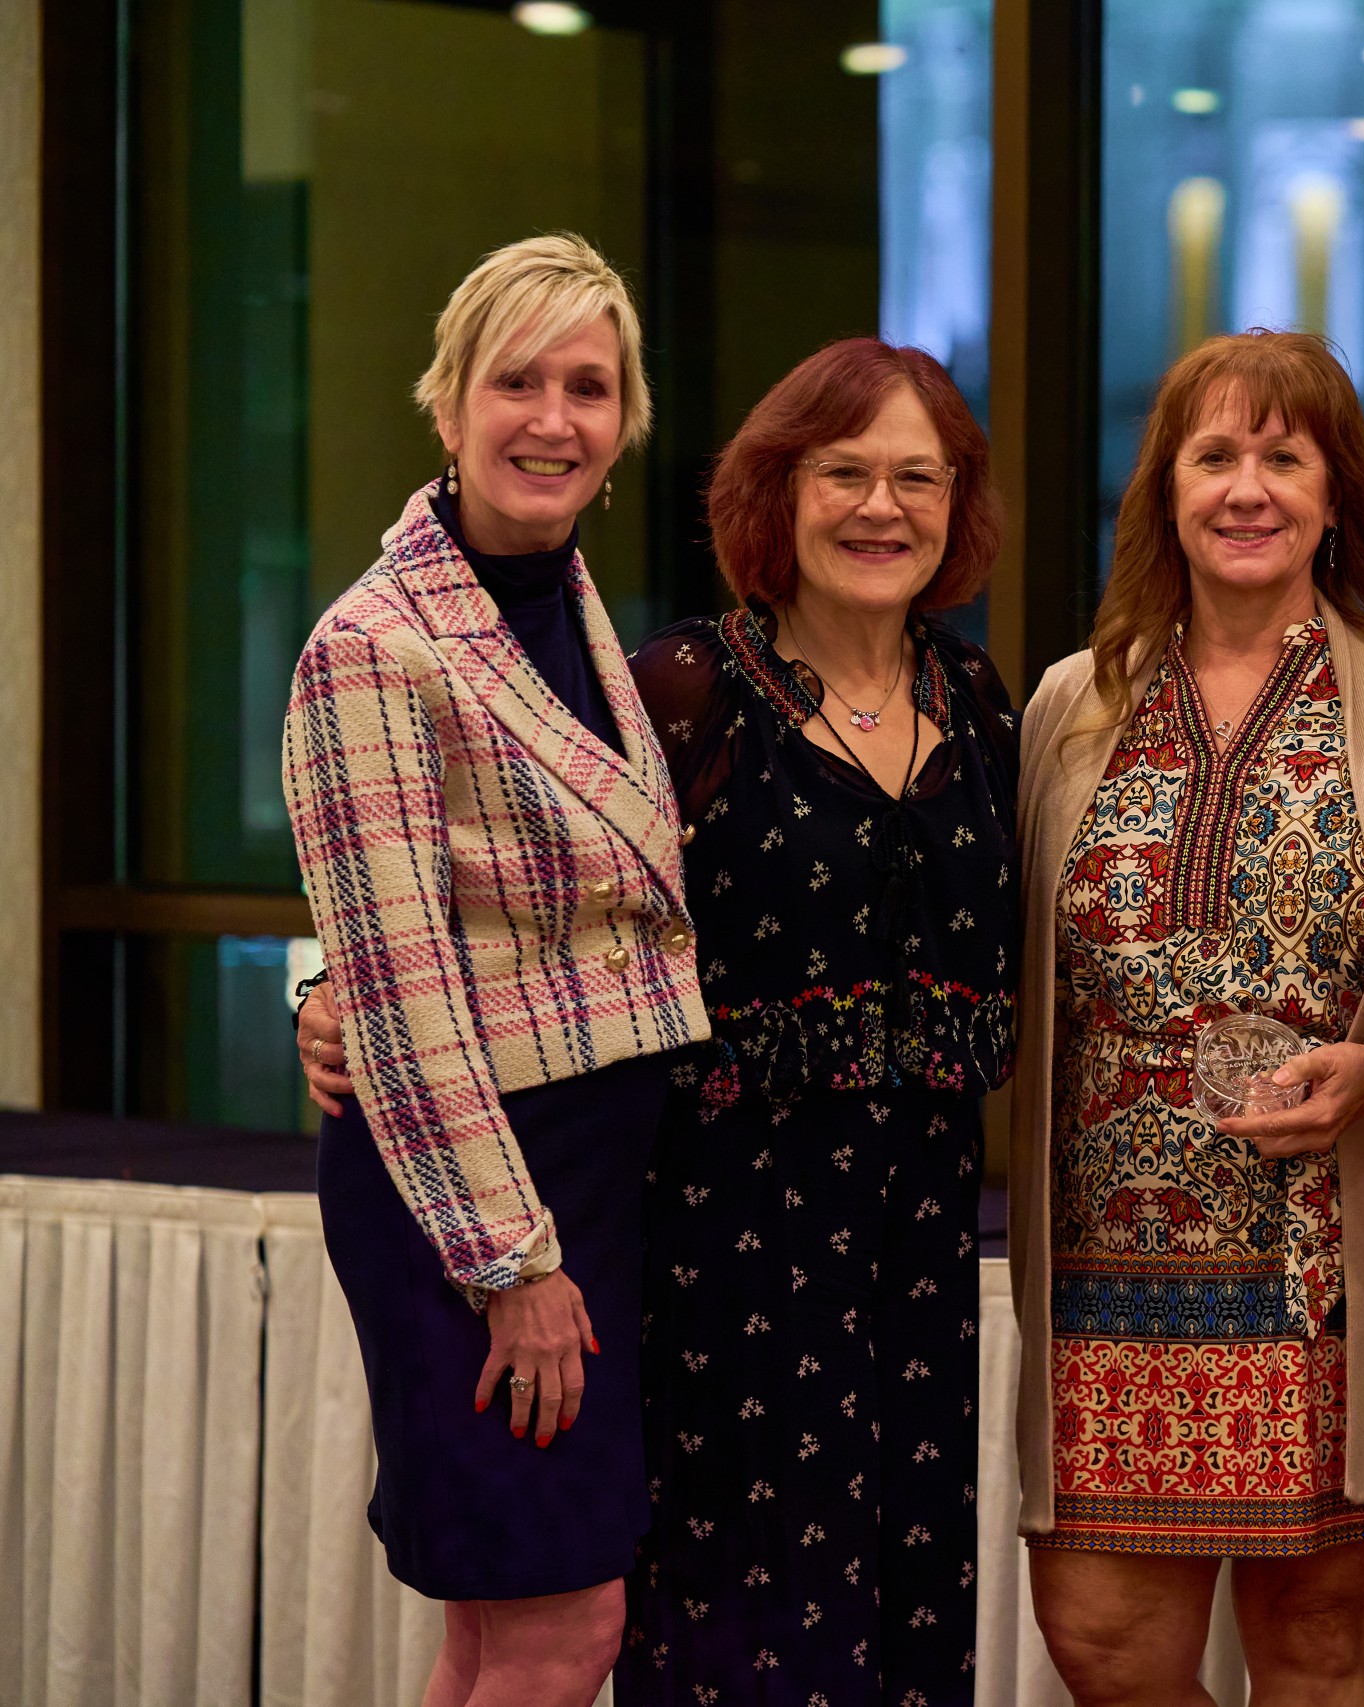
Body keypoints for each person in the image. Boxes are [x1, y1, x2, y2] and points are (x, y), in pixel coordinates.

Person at [303, 337, 1017, 1706]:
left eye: (917, 478)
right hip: (720, 1249)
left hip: (919, 1247)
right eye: (844, 473)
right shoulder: (679, 693)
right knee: (740, 1633)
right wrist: (329, 991)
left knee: (905, 1613)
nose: (881, 507)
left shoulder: (978, 702)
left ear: (957, 504)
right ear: (777, 492)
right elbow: (494, 888)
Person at [1011, 329, 1364, 1703]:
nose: (1248, 488)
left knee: (1321, 1655)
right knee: (1105, 1646)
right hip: (1106, 1274)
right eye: (1215, 455)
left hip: (1329, 1272)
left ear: (1334, 492)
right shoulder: (1071, 704)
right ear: (1165, 490)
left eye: (1284, 457)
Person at [282, 233, 707, 1707]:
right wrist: (511, 1266)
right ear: (448, 401)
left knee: (496, 1629)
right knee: (563, 1629)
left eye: (589, 387)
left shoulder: (565, 607)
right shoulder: (374, 645)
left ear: (626, 420)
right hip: (476, 1197)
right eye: (516, 381)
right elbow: (400, 988)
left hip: (588, 1175)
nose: (553, 419)